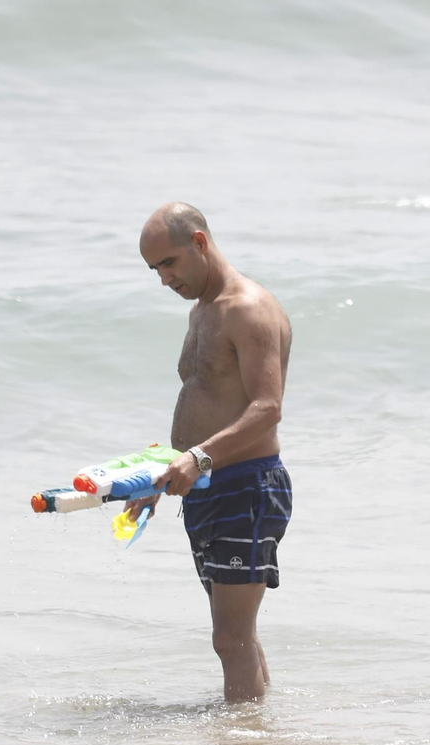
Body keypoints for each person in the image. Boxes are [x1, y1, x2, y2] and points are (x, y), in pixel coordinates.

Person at [126, 202, 293, 703]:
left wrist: (197, 458)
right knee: (236, 633)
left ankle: (242, 744)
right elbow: (208, 404)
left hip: (247, 487)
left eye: (169, 263)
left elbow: (268, 408)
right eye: (154, 270)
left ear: (199, 243)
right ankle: (258, 732)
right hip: (207, 489)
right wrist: (162, 477)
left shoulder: (248, 308)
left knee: (230, 637)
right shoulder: (201, 310)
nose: (164, 279)